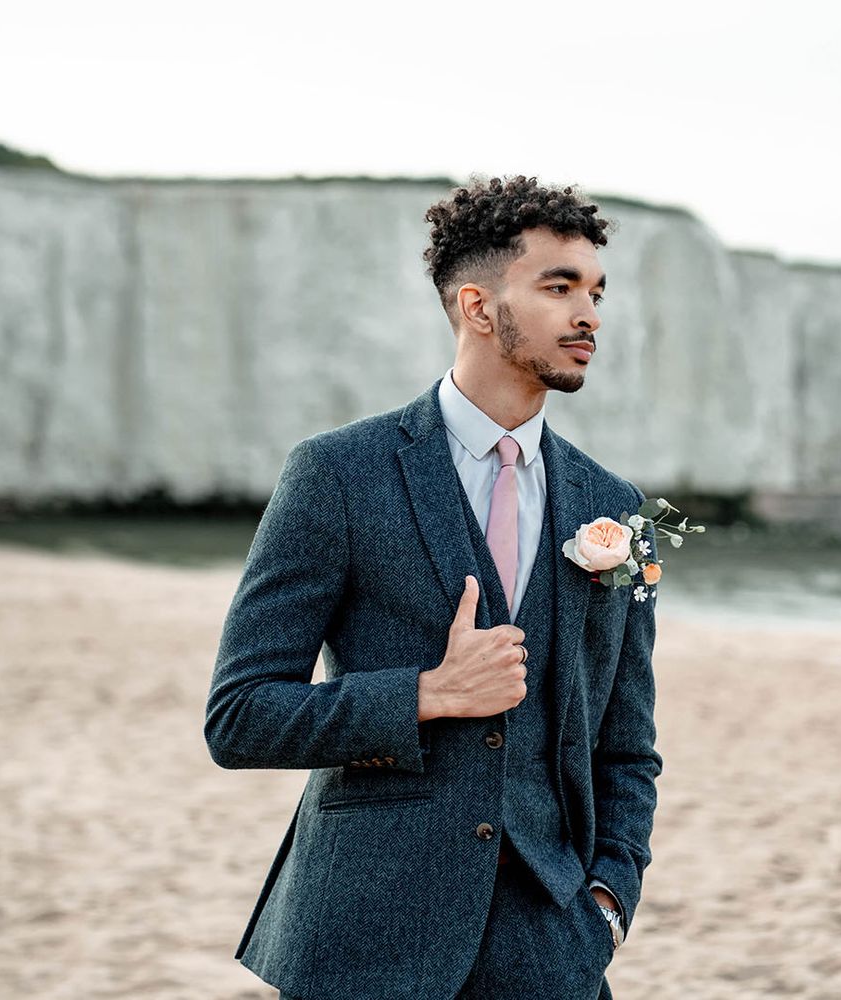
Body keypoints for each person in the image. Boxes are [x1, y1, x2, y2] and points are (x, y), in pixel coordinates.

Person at [204, 174, 663, 1000]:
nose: (589, 314)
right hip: (365, 934)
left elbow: (625, 745)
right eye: (558, 287)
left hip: (550, 946)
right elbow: (240, 717)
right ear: (478, 306)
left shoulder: (614, 509)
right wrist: (427, 694)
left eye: (596, 292)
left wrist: (608, 901)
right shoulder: (339, 474)